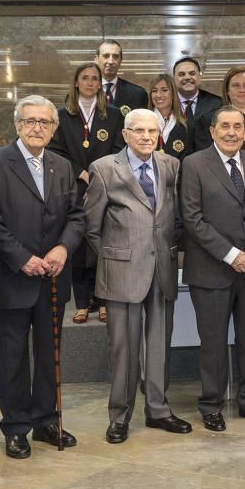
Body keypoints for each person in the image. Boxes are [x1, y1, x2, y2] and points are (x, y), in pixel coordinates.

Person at [0, 95, 86, 457]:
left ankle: (46, 421)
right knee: (11, 357)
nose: (37, 128)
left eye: (45, 122)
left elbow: (77, 216)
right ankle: (16, 427)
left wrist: (63, 248)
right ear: (17, 125)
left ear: (54, 128)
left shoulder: (62, 165)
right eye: (30, 121)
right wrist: (22, 258)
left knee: (49, 353)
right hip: (12, 278)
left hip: (53, 277)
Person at [85, 109, 190, 444]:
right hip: (122, 273)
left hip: (162, 268)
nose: (146, 137)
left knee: (159, 345)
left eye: (152, 131)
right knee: (124, 350)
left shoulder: (171, 166)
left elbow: (175, 219)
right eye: (139, 131)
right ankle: (119, 416)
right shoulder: (103, 169)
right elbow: (92, 226)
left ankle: (158, 409)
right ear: (125, 134)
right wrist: (117, 255)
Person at [181, 106, 245, 432]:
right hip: (211, 271)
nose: (232, 132)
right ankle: (211, 404)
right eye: (225, 126)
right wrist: (232, 254)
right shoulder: (193, 164)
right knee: (213, 343)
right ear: (212, 130)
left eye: (238, 126)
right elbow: (192, 219)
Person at [48, 62, 125, 325]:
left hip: (106, 187)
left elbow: (118, 149)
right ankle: (82, 303)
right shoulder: (62, 115)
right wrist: (81, 172)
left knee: (103, 244)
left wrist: (100, 174)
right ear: (76, 82)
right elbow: (55, 151)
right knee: (79, 247)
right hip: (75, 187)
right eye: (86, 78)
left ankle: (103, 301)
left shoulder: (113, 115)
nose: (91, 82)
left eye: (95, 78)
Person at [96, 39, 149, 115]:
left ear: (120, 60)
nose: (110, 61)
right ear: (96, 59)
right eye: (106, 56)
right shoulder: (86, 92)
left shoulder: (137, 94)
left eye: (115, 56)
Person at [150, 72, 190, 163]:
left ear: (173, 93)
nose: (158, 95)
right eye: (154, 91)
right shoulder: (142, 122)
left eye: (164, 90)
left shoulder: (186, 126)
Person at [174, 57, 222, 125]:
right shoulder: (165, 103)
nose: (187, 77)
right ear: (174, 79)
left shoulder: (217, 104)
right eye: (182, 74)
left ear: (200, 77)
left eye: (192, 73)